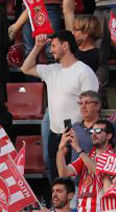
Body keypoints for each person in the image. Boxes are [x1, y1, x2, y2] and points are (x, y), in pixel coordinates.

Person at [22, 30, 99, 181]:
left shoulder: (84, 71)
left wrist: (84, 133)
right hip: (54, 134)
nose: (50, 50)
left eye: (53, 45)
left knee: (75, 179)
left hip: (76, 135)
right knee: (56, 178)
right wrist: (37, 47)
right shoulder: (52, 70)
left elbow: (91, 106)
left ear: (65, 45)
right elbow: (25, 68)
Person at [56, 119, 116, 212]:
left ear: (109, 136)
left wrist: (78, 148)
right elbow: (63, 173)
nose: (94, 134)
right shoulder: (87, 156)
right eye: (92, 131)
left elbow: (98, 171)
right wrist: (61, 149)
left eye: (98, 131)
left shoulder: (114, 157)